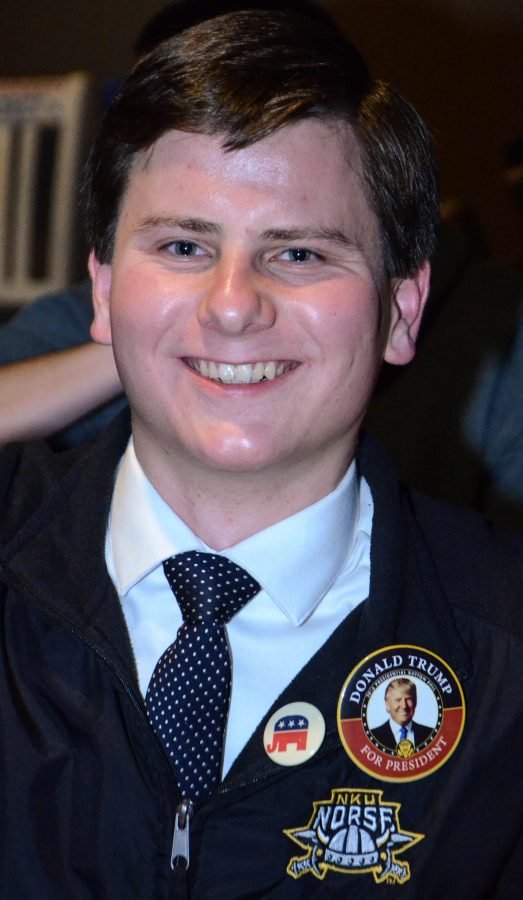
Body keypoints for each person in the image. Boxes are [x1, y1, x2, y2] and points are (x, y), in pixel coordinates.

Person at [1, 10, 523, 897]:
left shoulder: (506, 653)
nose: (233, 306)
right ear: (101, 289)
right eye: (181, 246)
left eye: (299, 252)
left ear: (402, 310)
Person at [371, 678, 433, 752]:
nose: (404, 706)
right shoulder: (373, 737)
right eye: (398, 700)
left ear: (415, 702)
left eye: (408, 699)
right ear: (387, 704)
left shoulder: (430, 734)